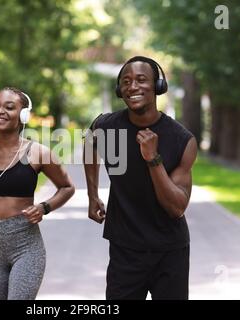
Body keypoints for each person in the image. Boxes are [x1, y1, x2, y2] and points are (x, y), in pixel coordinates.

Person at [83, 56, 197, 300]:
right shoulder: (105, 127)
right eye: (126, 81)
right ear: (119, 90)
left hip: (170, 251)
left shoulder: (182, 140)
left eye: (141, 80)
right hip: (125, 249)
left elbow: (176, 208)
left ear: (157, 86)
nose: (132, 87)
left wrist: (153, 159)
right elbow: (89, 145)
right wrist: (93, 196)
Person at [0, 87, 75, 300]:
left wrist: (45, 207)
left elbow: (67, 187)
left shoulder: (38, 153)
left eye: (9, 107)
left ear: (23, 115)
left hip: (26, 245)